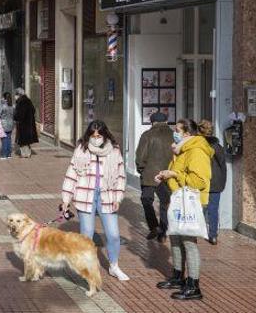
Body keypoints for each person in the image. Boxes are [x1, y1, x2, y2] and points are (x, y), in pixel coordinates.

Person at [61, 120, 130, 282]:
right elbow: (72, 174)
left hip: (108, 195)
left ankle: (114, 266)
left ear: (105, 134)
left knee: (113, 234)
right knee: (87, 234)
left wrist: (118, 197)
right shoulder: (81, 149)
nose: (96, 138)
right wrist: (66, 199)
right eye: (93, 135)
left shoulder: (114, 150)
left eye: (99, 135)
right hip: (85, 195)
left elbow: (121, 176)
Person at [155, 119, 213, 301]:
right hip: (179, 199)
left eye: (177, 130)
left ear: (187, 133)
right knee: (175, 238)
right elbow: (179, 174)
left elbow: (199, 181)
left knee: (188, 242)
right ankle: (178, 276)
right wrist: (166, 175)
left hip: (193, 202)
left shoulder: (196, 151)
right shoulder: (180, 150)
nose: (175, 133)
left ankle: (194, 285)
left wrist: (173, 174)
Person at [135, 111, 174, 241]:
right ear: (166, 122)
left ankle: (154, 226)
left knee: (146, 200)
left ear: (152, 122)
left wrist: (141, 170)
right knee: (165, 202)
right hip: (168, 175)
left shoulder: (147, 135)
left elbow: (140, 157)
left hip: (149, 174)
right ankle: (163, 231)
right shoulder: (174, 135)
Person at [199, 119, 227, 245]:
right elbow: (223, 166)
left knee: (199, 207)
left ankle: (196, 232)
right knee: (213, 209)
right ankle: (213, 235)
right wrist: (222, 183)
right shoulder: (217, 146)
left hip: (201, 181)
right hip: (216, 182)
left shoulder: (198, 145)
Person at [12, 88, 39, 157]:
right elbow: (33, 110)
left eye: (16, 95)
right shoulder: (28, 100)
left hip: (23, 124)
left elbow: (20, 114)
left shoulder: (21, 102)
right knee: (27, 141)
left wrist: (15, 116)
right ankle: (28, 153)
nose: (15, 96)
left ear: (19, 95)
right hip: (29, 123)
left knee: (23, 141)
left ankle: (25, 154)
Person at [0, 92, 15, 159]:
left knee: (4, 140)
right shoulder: (12, 105)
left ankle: (3, 154)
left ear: (4, 97)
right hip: (11, 124)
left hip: (3, 124)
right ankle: (9, 154)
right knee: (9, 139)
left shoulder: (2, 105)